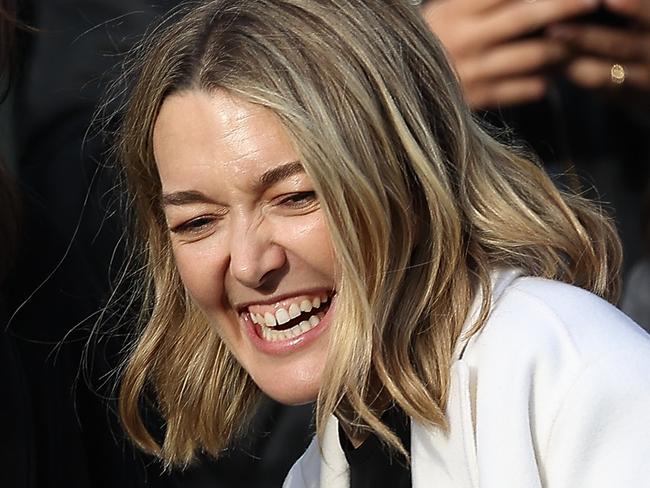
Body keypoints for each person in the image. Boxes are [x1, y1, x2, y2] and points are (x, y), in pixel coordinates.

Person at [113, 0, 650, 486]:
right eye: (197, 222)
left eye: (297, 196)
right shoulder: (320, 468)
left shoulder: (574, 381)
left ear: (409, 178)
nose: (251, 264)